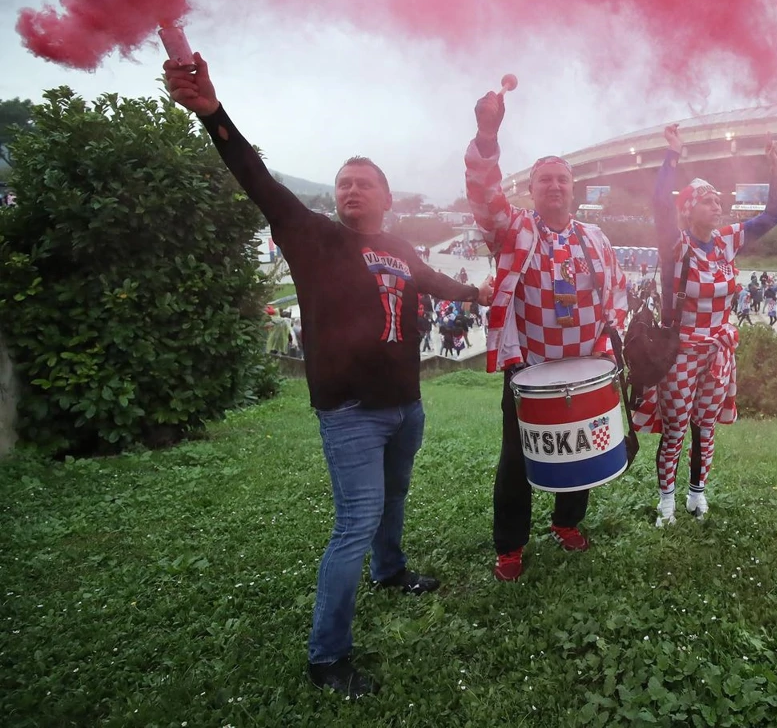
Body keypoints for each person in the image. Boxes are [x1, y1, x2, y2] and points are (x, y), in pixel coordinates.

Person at [164, 54, 492, 698]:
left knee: (394, 499)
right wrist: (213, 115)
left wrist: (478, 294)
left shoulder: (398, 248)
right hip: (350, 411)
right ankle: (327, 659)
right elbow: (259, 183)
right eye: (343, 182)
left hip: (407, 405)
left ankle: (391, 571)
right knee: (355, 522)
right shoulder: (312, 237)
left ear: (386, 198)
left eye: (363, 183)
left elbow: (432, 280)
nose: (350, 190)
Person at [464, 88, 628, 582]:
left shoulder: (595, 239)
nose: (554, 186)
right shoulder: (512, 230)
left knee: (579, 449)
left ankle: (566, 521)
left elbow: (618, 293)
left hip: (583, 371)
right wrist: (487, 136)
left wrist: (610, 343)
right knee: (516, 459)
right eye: (544, 180)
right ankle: (510, 545)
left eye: (561, 179)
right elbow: (482, 193)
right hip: (529, 368)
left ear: (573, 188)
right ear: (531, 189)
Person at [633, 125, 777, 525]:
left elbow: (773, 215)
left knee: (705, 425)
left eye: (718, 200)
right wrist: (673, 156)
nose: (717, 206)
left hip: (718, 350)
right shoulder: (676, 244)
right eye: (707, 201)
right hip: (681, 351)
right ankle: (667, 499)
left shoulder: (726, 241)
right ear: (688, 209)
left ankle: (697, 495)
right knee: (676, 428)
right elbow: (658, 204)